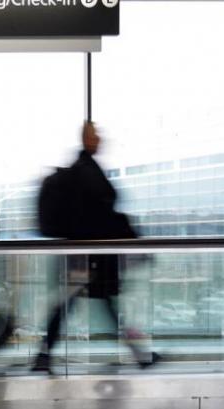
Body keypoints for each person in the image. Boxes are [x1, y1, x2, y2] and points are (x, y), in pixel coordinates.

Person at [33, 121, 159, 373]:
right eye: (95, 134)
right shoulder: (86, 172)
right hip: (89, 257)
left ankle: (44, 356)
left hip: (82, 256)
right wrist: (131, 238)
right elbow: (100, 216)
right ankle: (139, 355)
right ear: (86, 139)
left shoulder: (82, 170)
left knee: (77, 305)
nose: (100, 138)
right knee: (95, 305)